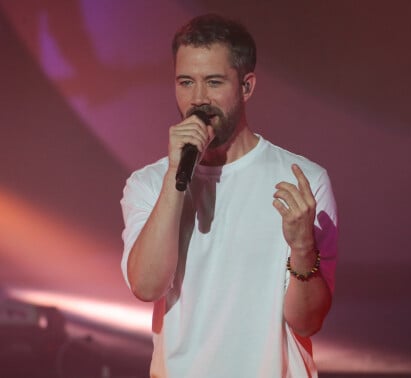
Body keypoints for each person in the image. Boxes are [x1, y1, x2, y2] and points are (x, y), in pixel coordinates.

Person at [120, 13, 338, 378]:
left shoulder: (302, 181)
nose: (198, 99)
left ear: (247, 86)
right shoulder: (148, 183)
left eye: (214, 82)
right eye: (186, 82)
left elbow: (307, 321)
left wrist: (302, 248)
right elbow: (146, 285)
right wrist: (176, 175)